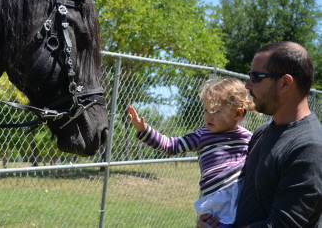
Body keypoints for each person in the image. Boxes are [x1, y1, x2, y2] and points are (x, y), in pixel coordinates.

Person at [198, 41, 322, 227]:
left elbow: (282, 224)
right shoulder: (262, 132)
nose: (247, 85)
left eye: (256, 77)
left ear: (285, 83)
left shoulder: (309, 146)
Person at [129, 78, 254, 227]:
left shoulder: (249, 138)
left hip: (242, 198)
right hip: (215, 202)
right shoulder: (203, 134)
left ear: (238, 114)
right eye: (206, 110)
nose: (208, 116)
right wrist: (145, 131)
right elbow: (171, 146)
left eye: (215, 111)